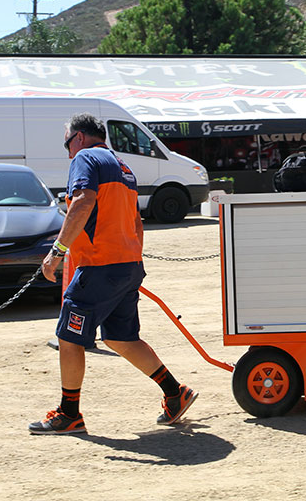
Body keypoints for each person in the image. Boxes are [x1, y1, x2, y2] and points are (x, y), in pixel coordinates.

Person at [29, 113, 197, 434]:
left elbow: (82, 202)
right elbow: (135, 220)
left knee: (68, 337)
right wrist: (133, 262)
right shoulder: (122, 167)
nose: (67, 150)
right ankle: (175, 393)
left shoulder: (85, 158)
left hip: (99, 266)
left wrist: (57, 253)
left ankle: (69, 413)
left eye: (67, 141)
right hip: (126, 265)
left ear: (78, 137)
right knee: (121, 338)